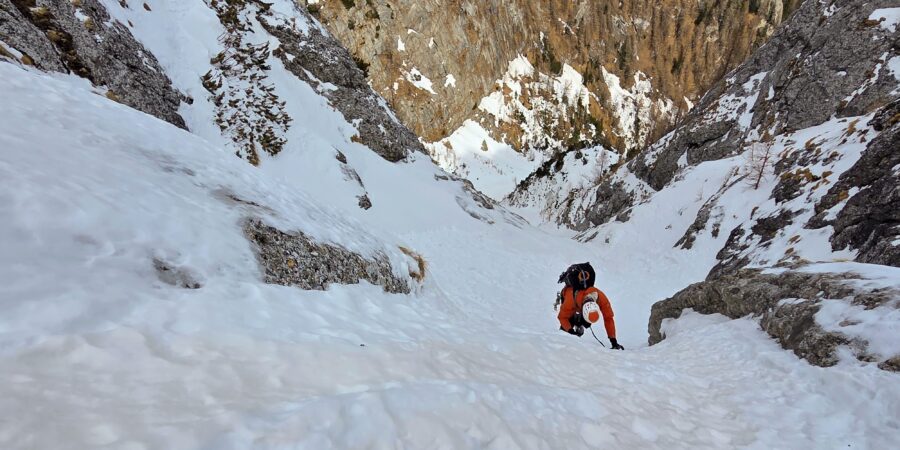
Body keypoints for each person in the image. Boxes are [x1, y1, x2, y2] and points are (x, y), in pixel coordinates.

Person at [556, 263, 624, 350]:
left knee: (585, 322)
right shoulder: (570, 298)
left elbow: (608, 318)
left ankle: (580, 324)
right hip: (571, 304)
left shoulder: (601, 297)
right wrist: (570, 331)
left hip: (580, 306)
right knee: (568, 324)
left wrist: (613, 341)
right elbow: (562, 317)